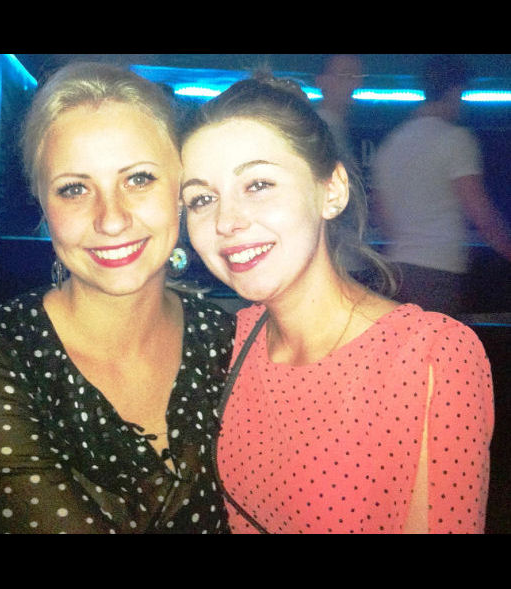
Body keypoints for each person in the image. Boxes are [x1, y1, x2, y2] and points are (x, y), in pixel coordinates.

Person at [179, 73, 494, 534]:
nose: (226, 221)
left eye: (258, 184)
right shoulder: (224, 344)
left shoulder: (432, 356)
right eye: (202, 199)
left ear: (332, 191)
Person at [0, 62, 236, 534]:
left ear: (181, 190)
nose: (110, 219)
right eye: (74, 189)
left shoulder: (228, 341)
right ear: (43, 203)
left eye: (138, 179)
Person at [373, 54, 511, 315]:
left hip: (396, 272)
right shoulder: (455, 140)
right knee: (439, 342)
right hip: (437, 274)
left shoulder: (390, 144)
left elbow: (381, 215)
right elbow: (481, 215)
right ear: (455, 91)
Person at [315, 54, 363, 171]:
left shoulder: (340, 128)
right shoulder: (318, 131)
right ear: (321, 81)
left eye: (358, 76)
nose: (356, 84)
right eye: (346, 76)